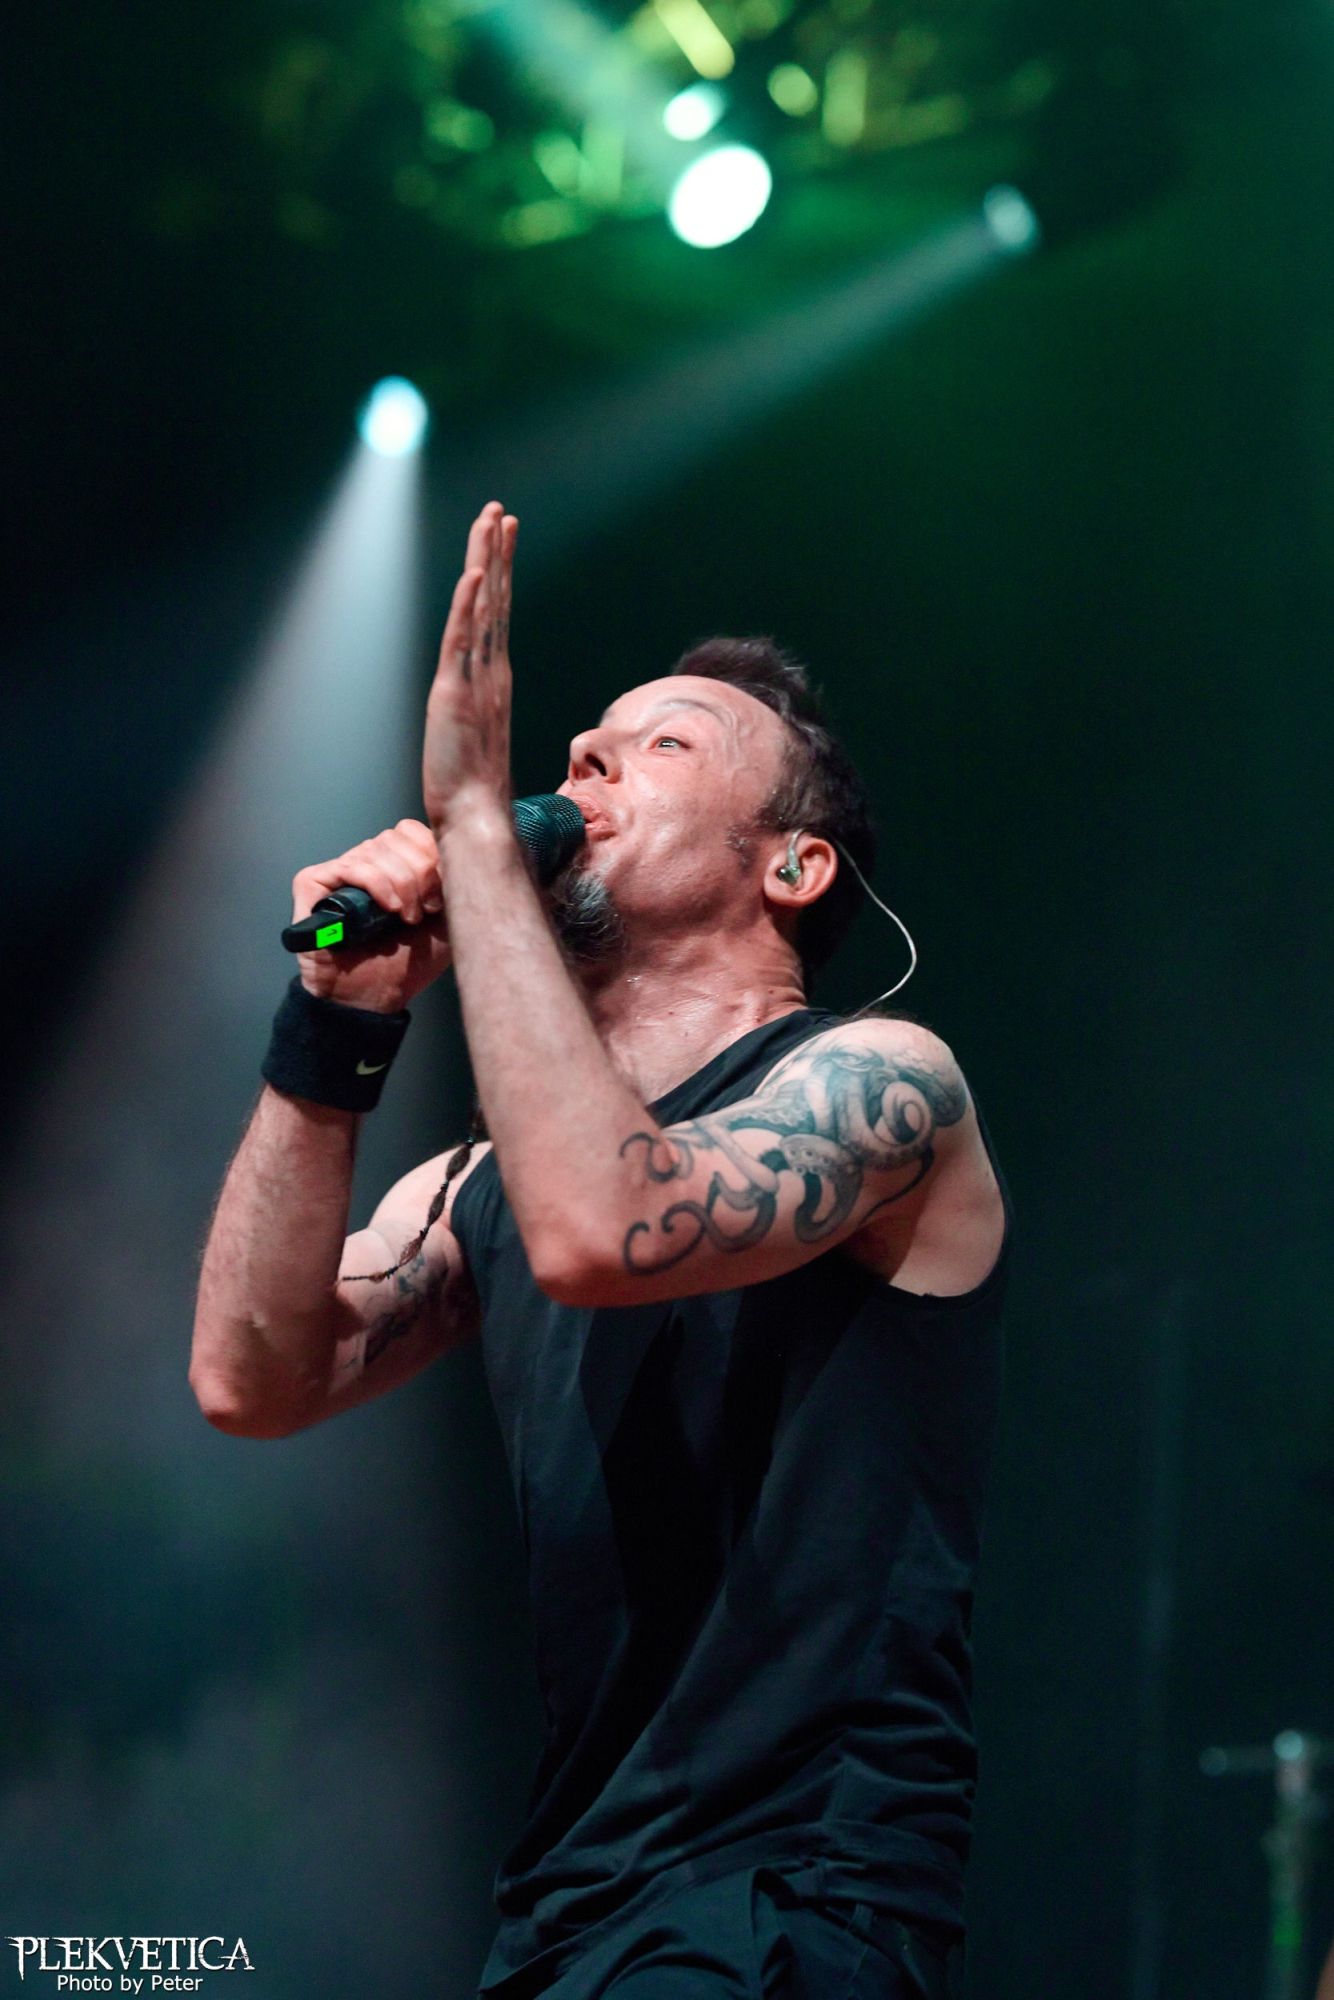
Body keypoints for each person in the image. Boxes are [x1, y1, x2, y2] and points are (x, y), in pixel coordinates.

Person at [191, 502, 1014, 1999]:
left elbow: (609, 1230)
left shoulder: (882, 1085)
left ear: (794, 869)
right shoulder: (474, 1185)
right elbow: (253, 1380)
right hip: (565, 1907)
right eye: (584, 744)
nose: (581, 759)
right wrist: (334, 1022)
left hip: (793, 1895)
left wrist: (469, 831)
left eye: (662, 745)